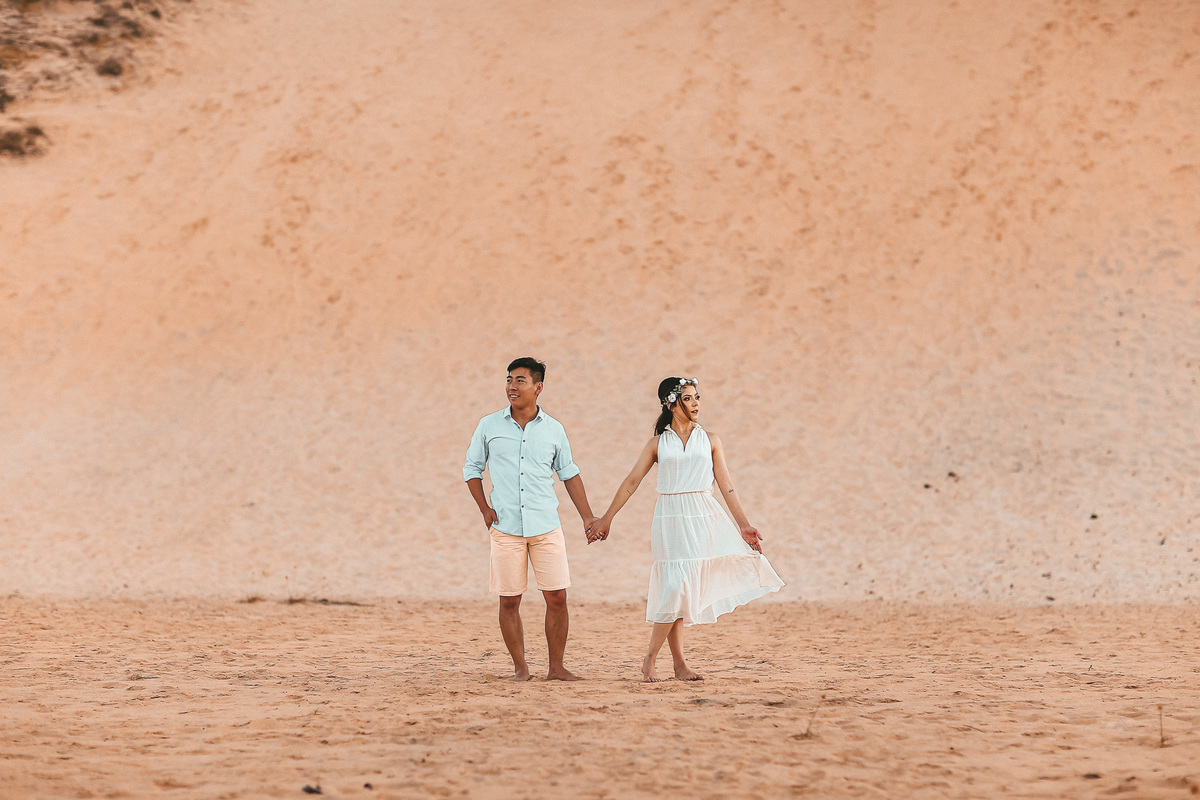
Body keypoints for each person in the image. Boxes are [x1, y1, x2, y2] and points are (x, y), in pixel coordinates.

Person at [588, 377, 784, 682]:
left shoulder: (711, 439)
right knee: (675, 585)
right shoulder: (657, 444)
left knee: (679, 589)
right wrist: (606, 518)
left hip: (702, 515)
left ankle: (677, 665)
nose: (696, 404)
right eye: (689, 398)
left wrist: (743, 524)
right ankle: (651, 659)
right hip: (670, 517)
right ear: (671, 403)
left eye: (697, 398)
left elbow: (726, 484)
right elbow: (631, 483)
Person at [464, 357, 598, 681]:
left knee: (558, 597)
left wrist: (588, 517)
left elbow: (569, 474)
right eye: (509, 379)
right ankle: (521, 668)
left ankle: (556, 668)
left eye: (520, 380)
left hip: (545, 526)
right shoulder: (489, 425)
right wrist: (484, 508)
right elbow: (472, 470)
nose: (512, 386)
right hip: (505, 528)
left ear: (538, 388)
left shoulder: (554, 430)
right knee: (509, 600)